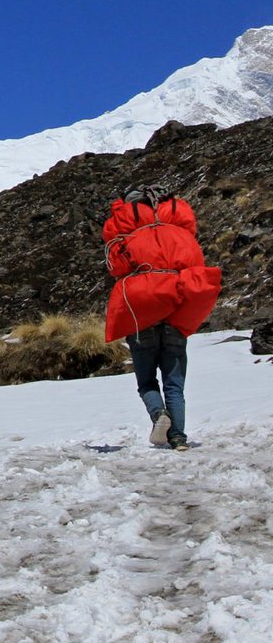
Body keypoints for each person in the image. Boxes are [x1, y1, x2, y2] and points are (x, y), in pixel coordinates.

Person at [102, 186, 221, 451]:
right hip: (177, 309)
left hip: (142, 309)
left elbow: (116, 267)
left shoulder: (130, 236)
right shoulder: (182, 235)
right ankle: (178, 439)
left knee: (146, 381)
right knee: (174, 384)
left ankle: (159, 415)